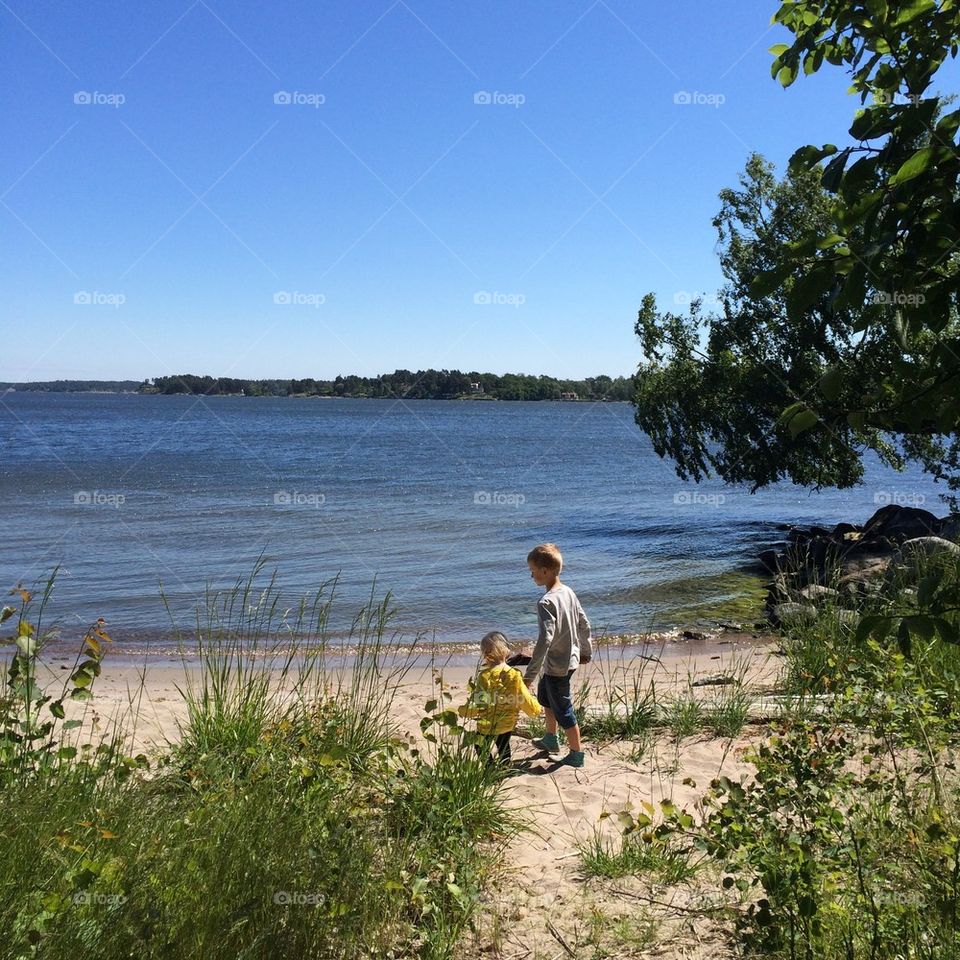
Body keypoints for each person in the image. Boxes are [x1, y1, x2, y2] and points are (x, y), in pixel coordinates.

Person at [523, 542, 592, 769]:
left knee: (564, 709)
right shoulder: (568, 592)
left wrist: (530, 674)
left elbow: (545, 640)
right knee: (545, 698)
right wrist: (585, 651)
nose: (531, 574)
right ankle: (550, 738)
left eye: (533, 570)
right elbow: (584, 623)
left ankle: (576, 754)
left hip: (556, 665)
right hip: (569, 660)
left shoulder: (545, 602)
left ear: (545, 571)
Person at [458, 630, 542, 764]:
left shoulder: (484, 676)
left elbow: (479, 702)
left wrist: (464, 711)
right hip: (507, 723)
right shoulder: (514, 674)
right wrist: (535, 709)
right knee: (503, 745)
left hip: (487, 725)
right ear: (506, 650)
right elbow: (523, 696)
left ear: (485, 655)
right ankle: (505, 765)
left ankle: (489, 766)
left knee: (479, 744)